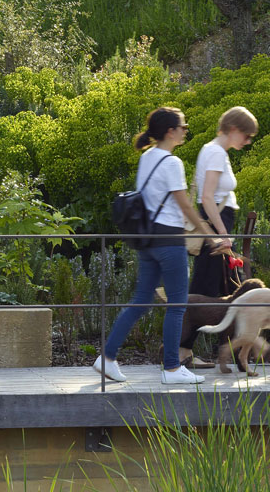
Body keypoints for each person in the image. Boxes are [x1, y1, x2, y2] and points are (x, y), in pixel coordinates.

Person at [95, 106, 225, 386]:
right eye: (183, 126)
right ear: (170, 131)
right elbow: (184, 205)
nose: (185, 130)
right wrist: (210, 235)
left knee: (141, 300)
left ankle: (106, 357)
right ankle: (172, 369)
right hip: (169, 239)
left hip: (148, 239)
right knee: (178, 304)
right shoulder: (171, 163)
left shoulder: (147, 157)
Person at [180, 106, 257, 369]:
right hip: (216, 228)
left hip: (219, 226)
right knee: (204, 292)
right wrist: (222, 235)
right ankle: (181, 353)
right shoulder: (214, 152)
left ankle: (231, 353)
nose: (247, 142)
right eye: (246, 136)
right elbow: (206, 198)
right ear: (234, 129)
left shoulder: (217, 152)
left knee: (224, 291)